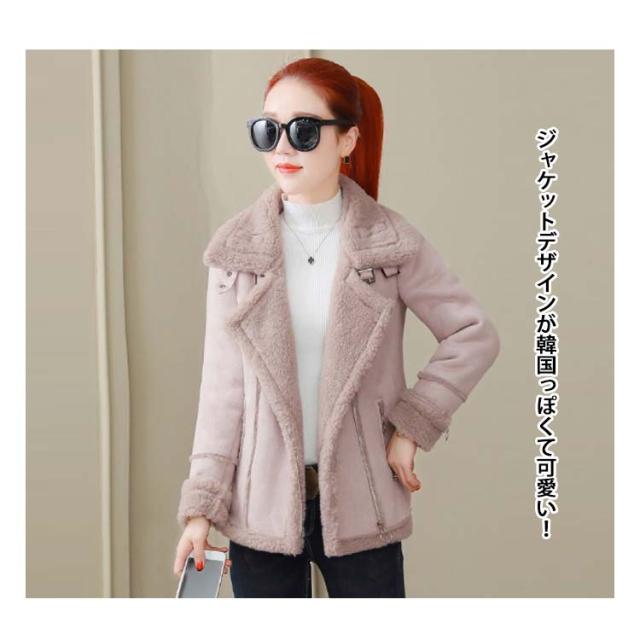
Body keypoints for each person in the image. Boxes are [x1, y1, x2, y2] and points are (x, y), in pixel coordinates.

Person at [173, 57, 500, 597]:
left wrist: (411, 426)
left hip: (363, 502)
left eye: (303, 130)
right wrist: (200, 509)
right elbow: (222, 394)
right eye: (268, 130)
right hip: (260, 510)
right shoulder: (236, 253)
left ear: (347, 139)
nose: (282, 148)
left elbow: (472, 332)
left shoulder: (390, 243)